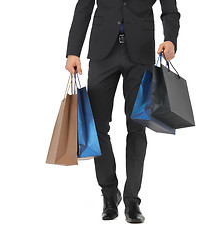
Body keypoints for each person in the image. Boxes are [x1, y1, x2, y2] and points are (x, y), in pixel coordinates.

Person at [65, 0, 180, 224]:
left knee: (137, 127)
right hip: (102, 53)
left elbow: (170, 10)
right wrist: (72, 51)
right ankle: (109, 193)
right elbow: (83, 7)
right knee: (96, 127)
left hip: (140, 54)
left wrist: (170, 39)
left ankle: (132, 200)